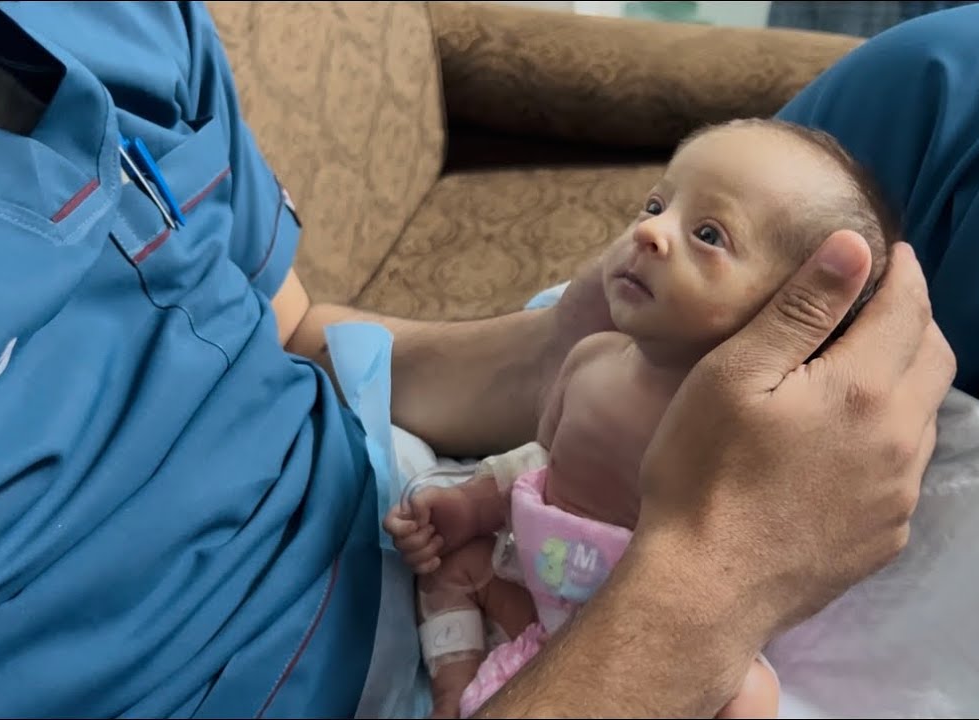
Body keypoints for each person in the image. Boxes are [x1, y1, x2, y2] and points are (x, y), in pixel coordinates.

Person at [0, 2, 979, 719]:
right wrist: (714, 579)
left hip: (384, 478)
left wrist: (572, 352)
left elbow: (284, 326)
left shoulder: (107, 19)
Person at [383, 118, 898, 718]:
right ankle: (453, 693)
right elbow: (543, 463)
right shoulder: (590, 363)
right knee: (453, 568)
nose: (650, 231)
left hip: (654, 631)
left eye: (709, 233)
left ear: (796, 311)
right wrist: (471, 503)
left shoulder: (746, 431)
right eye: (656, 204)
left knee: (751, 693)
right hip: (539, 582)